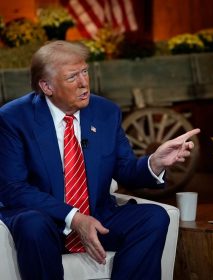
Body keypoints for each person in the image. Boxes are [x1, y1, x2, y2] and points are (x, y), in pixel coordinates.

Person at [0, 40, 200, 280]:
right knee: (32, 225)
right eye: (72, 77)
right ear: (46, 86)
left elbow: (125, 169)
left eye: (85, 72)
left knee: (154, 217)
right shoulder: (14, 118)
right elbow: (14, 188)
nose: (84, 83)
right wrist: (74, 218)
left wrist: (155, 162)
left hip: (97, 215)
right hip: (46, 219)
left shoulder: (105, 112)